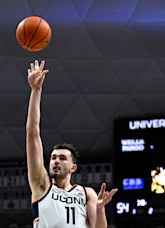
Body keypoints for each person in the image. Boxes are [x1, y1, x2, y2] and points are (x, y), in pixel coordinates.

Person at [25, 60, 117, 228]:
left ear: (73, 167)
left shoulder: (86, 193)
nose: (56, 161)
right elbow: (32, 133)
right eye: (53, 158)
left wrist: (100, 208)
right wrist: (36, 90)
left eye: (62, 158)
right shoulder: (42, 187)